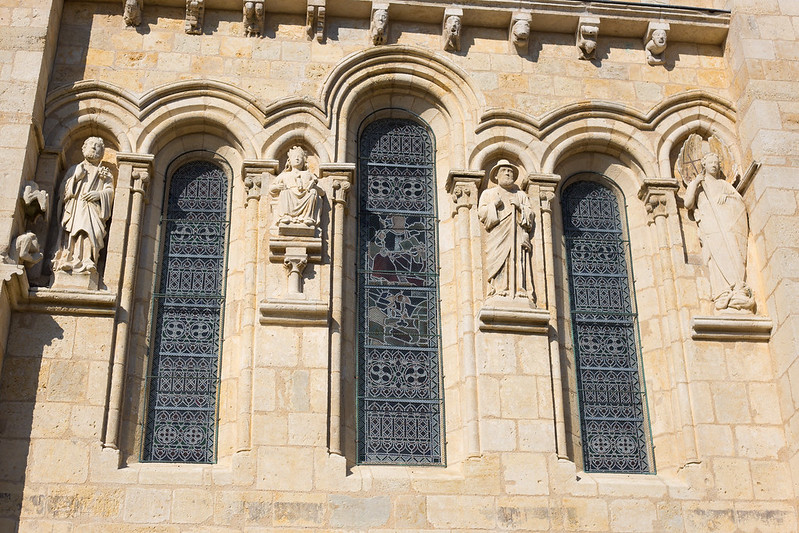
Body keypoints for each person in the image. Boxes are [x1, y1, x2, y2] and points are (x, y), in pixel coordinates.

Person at [684, 152, 754, 312]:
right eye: (711, 162)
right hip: (710, 227)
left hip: (726, 226)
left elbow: (739, 203)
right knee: (715, 258)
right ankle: (722, 292)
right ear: (704, 165)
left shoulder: (724, 185)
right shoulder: (699, 186)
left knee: (732, 254)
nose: (714, 165)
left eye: (716, 162)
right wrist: (695, 182)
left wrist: (727, 198)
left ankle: (737, 288)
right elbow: (688, 203)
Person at [53, 137, 114, 274]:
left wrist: (100, 195)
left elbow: (109, 191)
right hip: (76, 207)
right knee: (75, 231)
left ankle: (87, 259)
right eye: (91, 145)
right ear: (83, 148)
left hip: (93, 209)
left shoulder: (105, 173)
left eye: (98, 146)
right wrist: (75, 178)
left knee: (91, 232)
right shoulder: (75, 169)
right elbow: (62, 192)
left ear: (103, 152)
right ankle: (69, 258)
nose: (94, 148)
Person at [477, 159, 535, 300]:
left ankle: (519, 288)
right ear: (496, 175)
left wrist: (520, 207)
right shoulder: (489, 194)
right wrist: (494, 205)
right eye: (504, 170)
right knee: (499, 260)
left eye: (510, 171)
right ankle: (499, 288)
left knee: (518, 259)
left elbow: (530, 214)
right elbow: (481, 212)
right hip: (498, 234)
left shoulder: (520, 195)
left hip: (517, 234)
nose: (508, 173)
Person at [270, 146, 322, 227]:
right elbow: (271, 189)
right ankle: (285, 216)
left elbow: (322, 193)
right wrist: (278, 187)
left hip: (305, 196)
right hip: (290, 197)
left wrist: (314, 187)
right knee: (285, 191)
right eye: (294, 157)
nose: (297, 159)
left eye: (300, 157)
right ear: (289, 161)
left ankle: (308, 217)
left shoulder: (309, 175)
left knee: (313, 192)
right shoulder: (284, 175)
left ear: (304, 161)